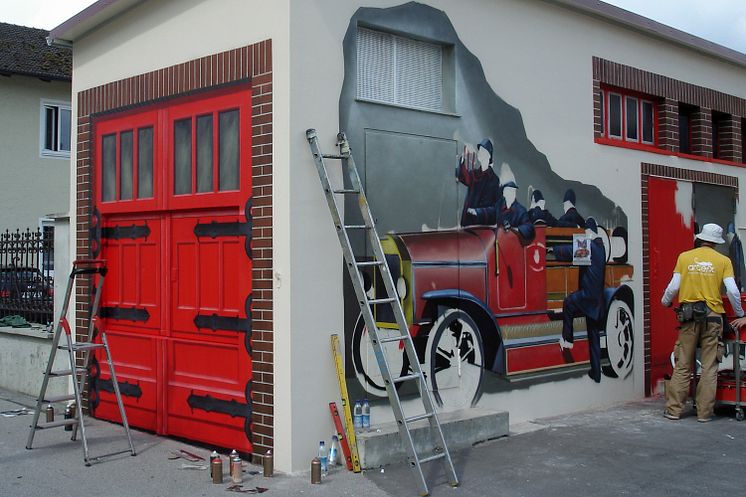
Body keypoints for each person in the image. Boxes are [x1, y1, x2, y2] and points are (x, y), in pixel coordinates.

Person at [661, 223, 744, 422]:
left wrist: (665, 301)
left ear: (701, 238)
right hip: (713, 318)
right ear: (717, 243)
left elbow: (673, 287)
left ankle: (674, 410)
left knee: (683, 365)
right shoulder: (723, 261)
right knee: (709, 367)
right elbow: (732, 291)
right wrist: (741, 313)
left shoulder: (684, 257)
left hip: (689, 319)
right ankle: (705, 414)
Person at [553, 217, 606, 382]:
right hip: (597, 300)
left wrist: (552, 249)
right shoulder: (601, 248)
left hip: (587, 296)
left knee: (568, 303)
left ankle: (568, 339)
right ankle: (596, 374)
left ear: (588, 232)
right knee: (594, 336)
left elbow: (568, 252)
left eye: (585, 233)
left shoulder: (590, 247)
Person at [456, 138, 500, 226]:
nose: (479, 153)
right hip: (468, 224)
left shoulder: (494, 180)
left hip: (483, 228)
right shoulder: (474, 174)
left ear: (489, 155)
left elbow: (496, 209)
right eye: (479, 150)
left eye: (482, 151)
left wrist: (478, 212)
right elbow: (462, 177)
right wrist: (463, 159)